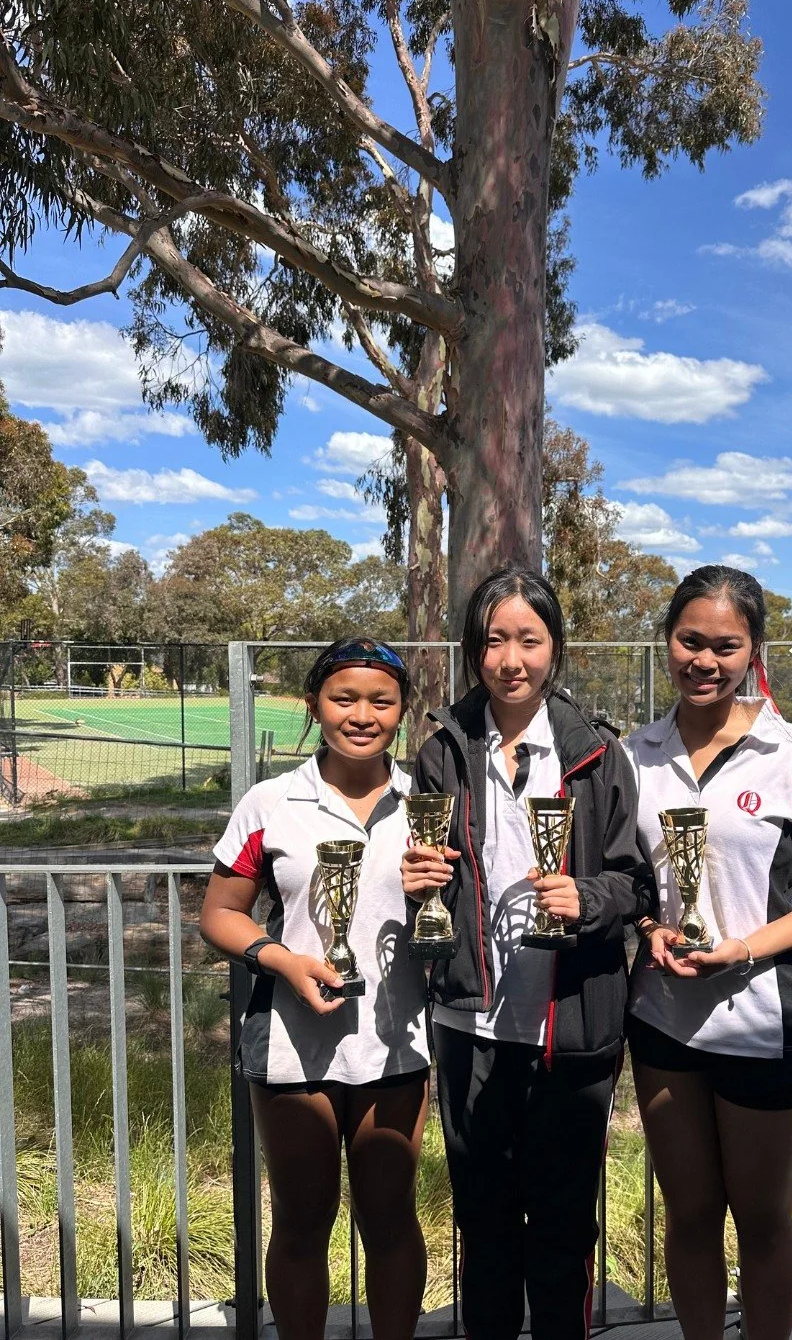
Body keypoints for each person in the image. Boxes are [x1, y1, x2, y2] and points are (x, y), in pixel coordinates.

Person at [401, 565, 649, 1340]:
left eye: (529, 640)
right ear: (475, 650)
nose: (512, 659)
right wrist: (416, 881)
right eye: (494, 640)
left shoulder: (597, 755)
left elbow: (635, 883)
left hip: (570, 1024)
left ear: (555, 648)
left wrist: (593, 899)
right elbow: (424, 875)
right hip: (469, 1022)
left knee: (564, 1226)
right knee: (484, 1222)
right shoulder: (441, 750)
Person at [624, 565, 792, 1340]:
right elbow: (626, 883)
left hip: (768, 1025)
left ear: (753, 650)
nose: (706, 661)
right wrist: (649, 930)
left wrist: (747, 947)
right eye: (690, 641)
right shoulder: (635, 755)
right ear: (667, 643)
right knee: (689, 1217)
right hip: (663, 1024)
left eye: (726, 646)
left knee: (761, 1221)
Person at [200, 639, 429, 1340]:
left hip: (396, 1043)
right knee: (301, 1220)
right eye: (344, 698)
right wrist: (281, 960)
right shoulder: (271, 802)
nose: (362, 715)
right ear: (313, 706)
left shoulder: (427, 801)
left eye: (381, 701)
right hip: (292, 1049)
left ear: (402, 713)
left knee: (389, 1218)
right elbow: (219, 913)